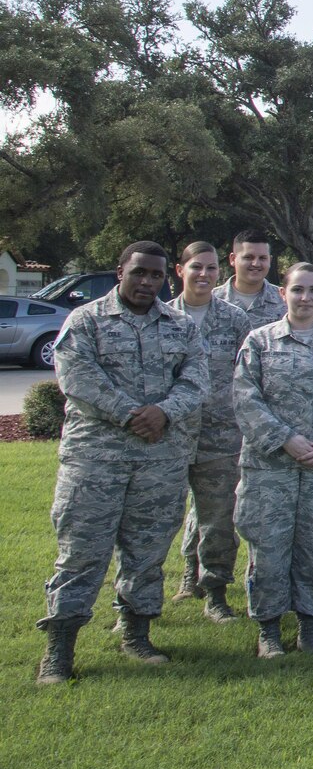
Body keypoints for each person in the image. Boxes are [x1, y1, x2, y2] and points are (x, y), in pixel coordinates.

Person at [35, 242, 205, 685]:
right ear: (120, 272)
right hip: (96, 460)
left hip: (159, 459)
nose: (148, 282)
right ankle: (59, 649)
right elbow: (78, 379)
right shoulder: (85, 321)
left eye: (156, 275)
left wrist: (165, 412)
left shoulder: (181, 326)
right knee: (81, 553)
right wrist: (135, 414)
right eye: (139, 273)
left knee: (147, 552)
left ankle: (137, 633)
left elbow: (196, 379)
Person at [232, 262, 313, 657]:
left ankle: (309, 626)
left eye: (312, 290)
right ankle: (269, 630)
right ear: (282, 294)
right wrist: (285, 439)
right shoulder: (259, 342)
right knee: (270, 548)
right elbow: (245, 399)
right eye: (297, 290)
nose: (306, 298)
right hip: (270, 468)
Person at [166, 241, 258, 618]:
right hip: (167, 434)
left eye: (211, 268)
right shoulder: (163, 317)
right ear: (180, 270)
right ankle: (139, 602)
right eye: (196, 267)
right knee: (155, 519)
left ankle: (215, 593)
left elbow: (250, 376)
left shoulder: (235, 320)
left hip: (221, 435)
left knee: (219, 519)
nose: (204, 275)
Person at [216, 228, 287, 327]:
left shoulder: (285, 301)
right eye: (248, 257)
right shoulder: (212, 300)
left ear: (270, 260)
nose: (256, 264)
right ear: (233, 259)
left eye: (262, 258)